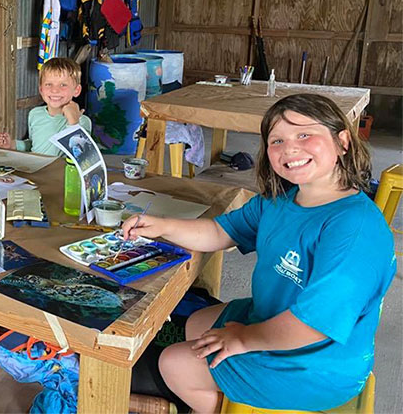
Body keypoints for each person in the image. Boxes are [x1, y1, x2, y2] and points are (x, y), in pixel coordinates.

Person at [121, 93, 395, 413]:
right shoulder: (282, 200)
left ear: (343, 141)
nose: (290, 148)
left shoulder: (354, 229)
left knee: (174, 363)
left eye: (305, 134)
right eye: (277, 140)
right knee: (196, 322)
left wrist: (244, 339)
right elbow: (220, 231)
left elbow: (313, 326)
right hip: (280, 319)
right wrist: (161, 225)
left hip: (316, 364)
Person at [0, 57, 91, 156]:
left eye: (63, 85)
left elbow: (83, 157)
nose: (55, 90)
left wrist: (73, 122)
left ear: (76, 90)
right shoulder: (35, 114)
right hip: (36, 169)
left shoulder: (82, 121)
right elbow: (34, 145)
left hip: (63, 171)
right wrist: (13, 144)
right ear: (41, 89)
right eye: (49, 84)